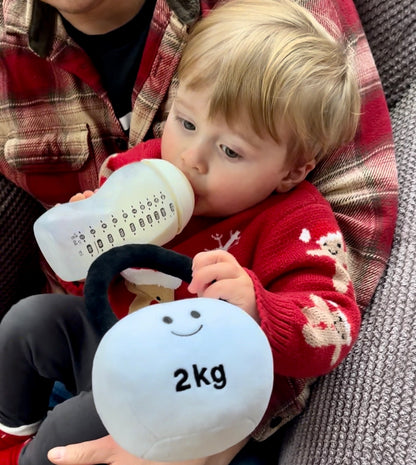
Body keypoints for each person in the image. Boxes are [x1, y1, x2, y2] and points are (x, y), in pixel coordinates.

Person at [0, 1, 362, 464]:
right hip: (112, 339)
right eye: (186, 123)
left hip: (183, 387)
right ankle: (13, 434)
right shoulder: (143, 170)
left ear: (292, 170)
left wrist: (258, 308)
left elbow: (332, 326)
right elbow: (86, 284)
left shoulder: (296, 222)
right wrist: (86, 237)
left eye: (230, 150)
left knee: (70, 426)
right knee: (26, 323)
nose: (192, 157)